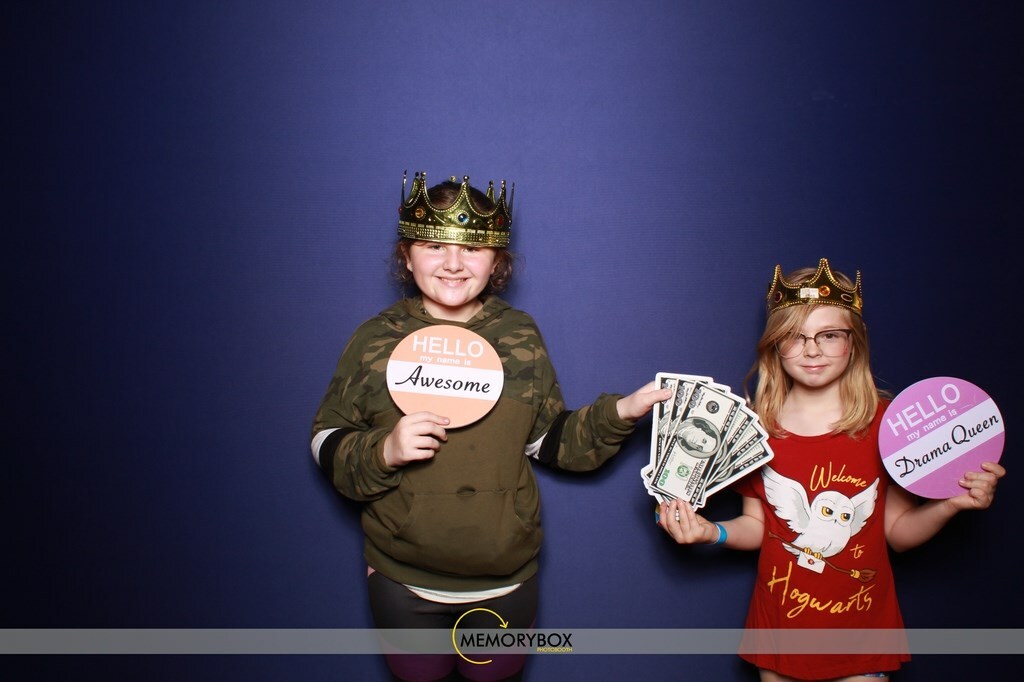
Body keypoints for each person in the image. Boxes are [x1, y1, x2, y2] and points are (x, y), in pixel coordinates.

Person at [311, 171, 669, 682]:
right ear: (406, 256)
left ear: (497, 261)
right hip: (402, 579)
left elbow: (550, 442)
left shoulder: (519, 334)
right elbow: (326, 438)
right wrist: (383, 450)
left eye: (472, 249)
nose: (453, 263)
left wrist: (621, 413)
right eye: (434, 245)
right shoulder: (375, 338)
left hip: (505, 582)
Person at [657, 258, 1005, 682]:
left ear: (854, 342)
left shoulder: (889, 424)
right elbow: (759, 526)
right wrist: (713, 532)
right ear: (774, 345)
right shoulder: (754, 429)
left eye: (829, 335)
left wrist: (951, 504)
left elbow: (898, 534)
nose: (812, 350)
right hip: (780, 633)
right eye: (794, 336)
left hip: (861, 636)